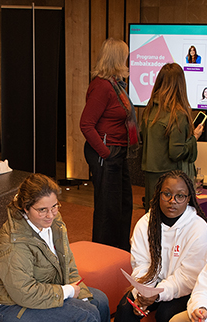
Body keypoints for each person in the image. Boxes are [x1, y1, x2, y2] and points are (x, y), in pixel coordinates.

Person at [114, 171, 207, 322]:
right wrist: (143, 292)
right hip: (151, 285)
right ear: (158, 194)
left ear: (189, 198)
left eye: (180, 196)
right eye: (167, 194)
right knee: (126, 307)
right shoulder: (146, 222)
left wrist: (158, 295)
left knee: (168, 315)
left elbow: (188, 278)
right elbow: (140, 263)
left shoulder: (198, 228)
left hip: (183, 289)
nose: (172, 201)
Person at [0, 173, 112, 322]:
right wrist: (68, 291)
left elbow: (67, 262)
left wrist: (81, 294)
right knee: (87, 316)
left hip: (42, 288)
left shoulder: (54, 222)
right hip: (10, 306)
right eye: (42, 210)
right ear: (25, 207)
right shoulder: (13, 244)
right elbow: (25, 293)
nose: (50, 215)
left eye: (55, 206)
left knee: (100, 301)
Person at [80, 37, 137, 251]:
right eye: (125, 56)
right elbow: (86, 124)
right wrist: (105, 153)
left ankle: (119, 252)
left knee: (122, 206)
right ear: (117, 59)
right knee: (107, 211)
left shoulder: (115, 85)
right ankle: (103, 253)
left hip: (117, 153)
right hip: (108, 153)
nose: (127, 60)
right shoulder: (102, 87)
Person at [139, 63, 203, 211]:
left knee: (153, 216)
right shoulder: (177, 114)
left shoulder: (149, 110)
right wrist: (194, 138)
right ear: (180, 85)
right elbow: (176, 153)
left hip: (150, 174)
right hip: (171, 179)